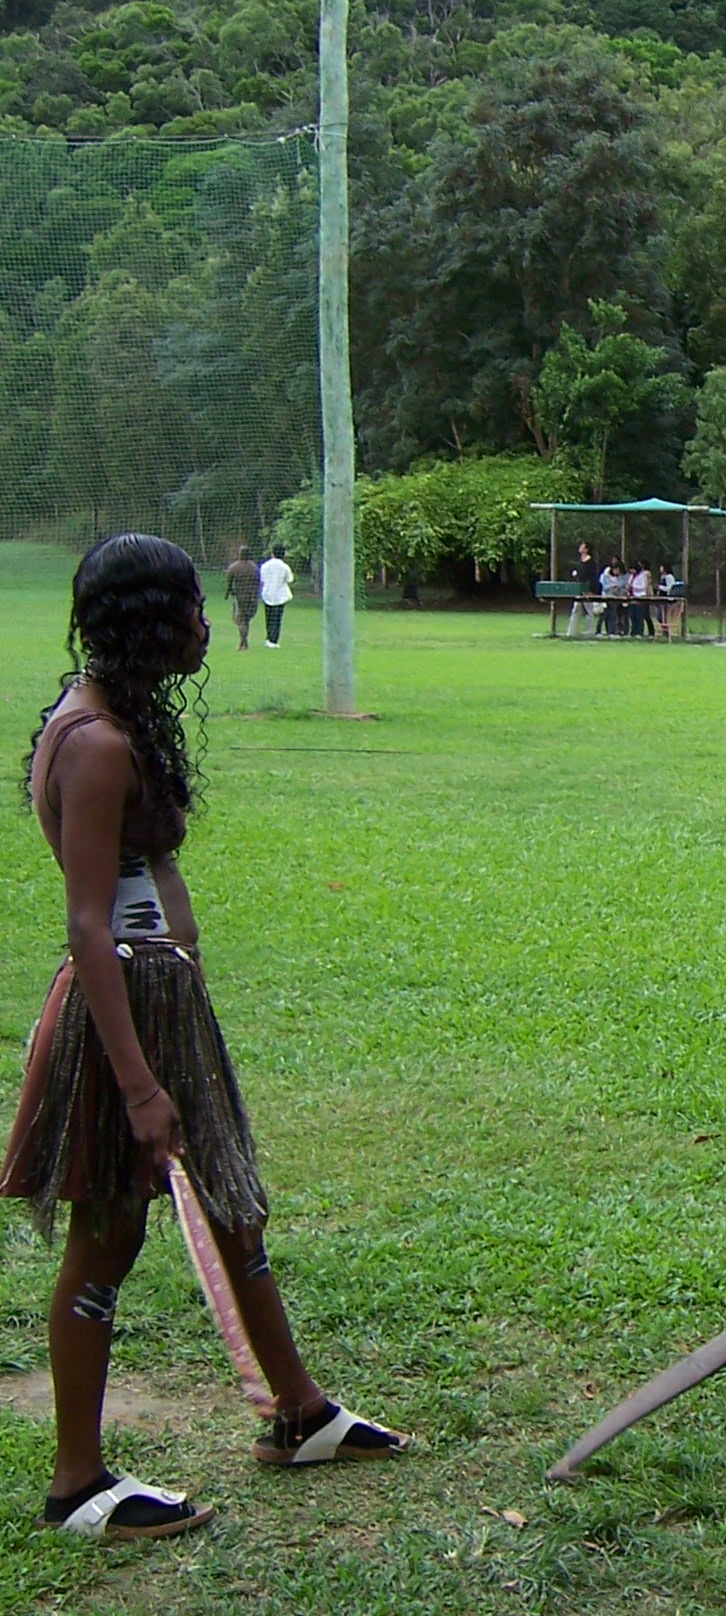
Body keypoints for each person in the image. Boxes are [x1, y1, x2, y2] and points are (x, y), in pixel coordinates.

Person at [3, 535, 405, 1542]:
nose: (202, 622)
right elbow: (89, 926)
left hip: (163, 1001)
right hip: (126, 1009)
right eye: (187, 606)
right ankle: (76, 1482)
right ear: (147, 620)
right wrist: (140, 1087)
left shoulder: (113, 721)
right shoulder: (97, 742)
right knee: (108, 1236)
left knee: (232, 1206)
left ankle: (299, 1413)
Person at [222, 548, 260, 652]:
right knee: (246, 620)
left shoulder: (234, 567)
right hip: (251, 598)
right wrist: (254, 595)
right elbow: (257, 583)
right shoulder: (254, 568)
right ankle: (244, 642)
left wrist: (227, 594)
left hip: (239, 597)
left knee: (240, 620)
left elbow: (229, 582)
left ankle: (243, 643)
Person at [256, 546, 292, 649]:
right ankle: (274, 640)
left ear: (272, 553)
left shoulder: (265, 565)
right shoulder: (285, 567)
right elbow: (289, 579)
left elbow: (262, 580)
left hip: (267, 594)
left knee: (269, 617)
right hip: (280, 596)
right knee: (277, 618)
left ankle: (269, 638)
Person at [568, 542, 602, 638]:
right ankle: (572, 632)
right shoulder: (579, 562)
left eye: (582, 547)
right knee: (576, 610)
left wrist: (590, 591)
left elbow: (593, 578)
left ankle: (590, 632)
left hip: (588, 591)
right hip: (579, 590)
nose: (580, 548)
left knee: (589, 611)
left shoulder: (591, 563)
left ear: (586, 550)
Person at [630, 564, 654, 640]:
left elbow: (643, 586)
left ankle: (640, 632)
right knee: (633, 616)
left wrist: (634, 587)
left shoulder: (642, 576)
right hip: (633, 597)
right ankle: (633, 631)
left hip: (641, 596)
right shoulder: (632, 576)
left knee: (639, 616)